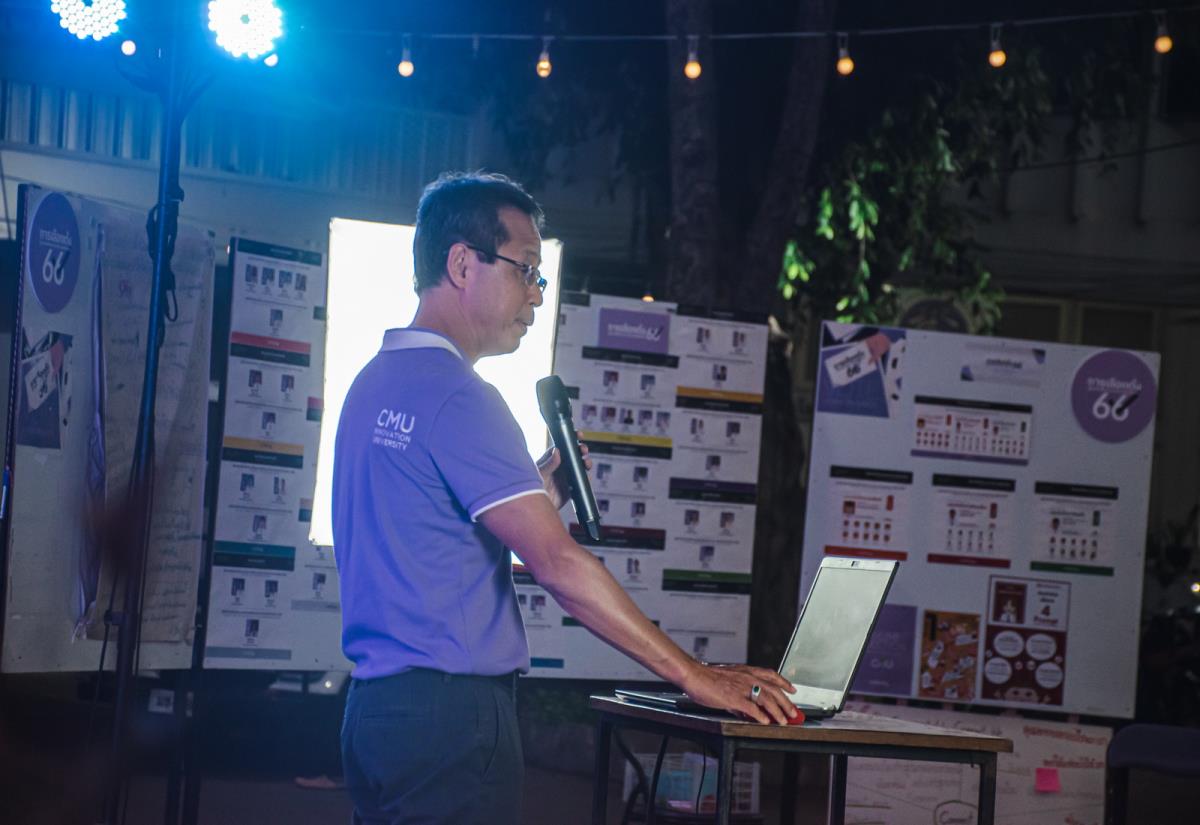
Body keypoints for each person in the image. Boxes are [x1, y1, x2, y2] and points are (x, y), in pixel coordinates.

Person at [332, 172, 796, 825]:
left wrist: (537, 496)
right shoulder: (462, 396)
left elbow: (425, 542)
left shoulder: (372, 384)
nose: (535, 295)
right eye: (526, 270)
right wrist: (695, 674)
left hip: (376, 714)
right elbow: (558, 564)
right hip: (451, 721)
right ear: (462, 263)